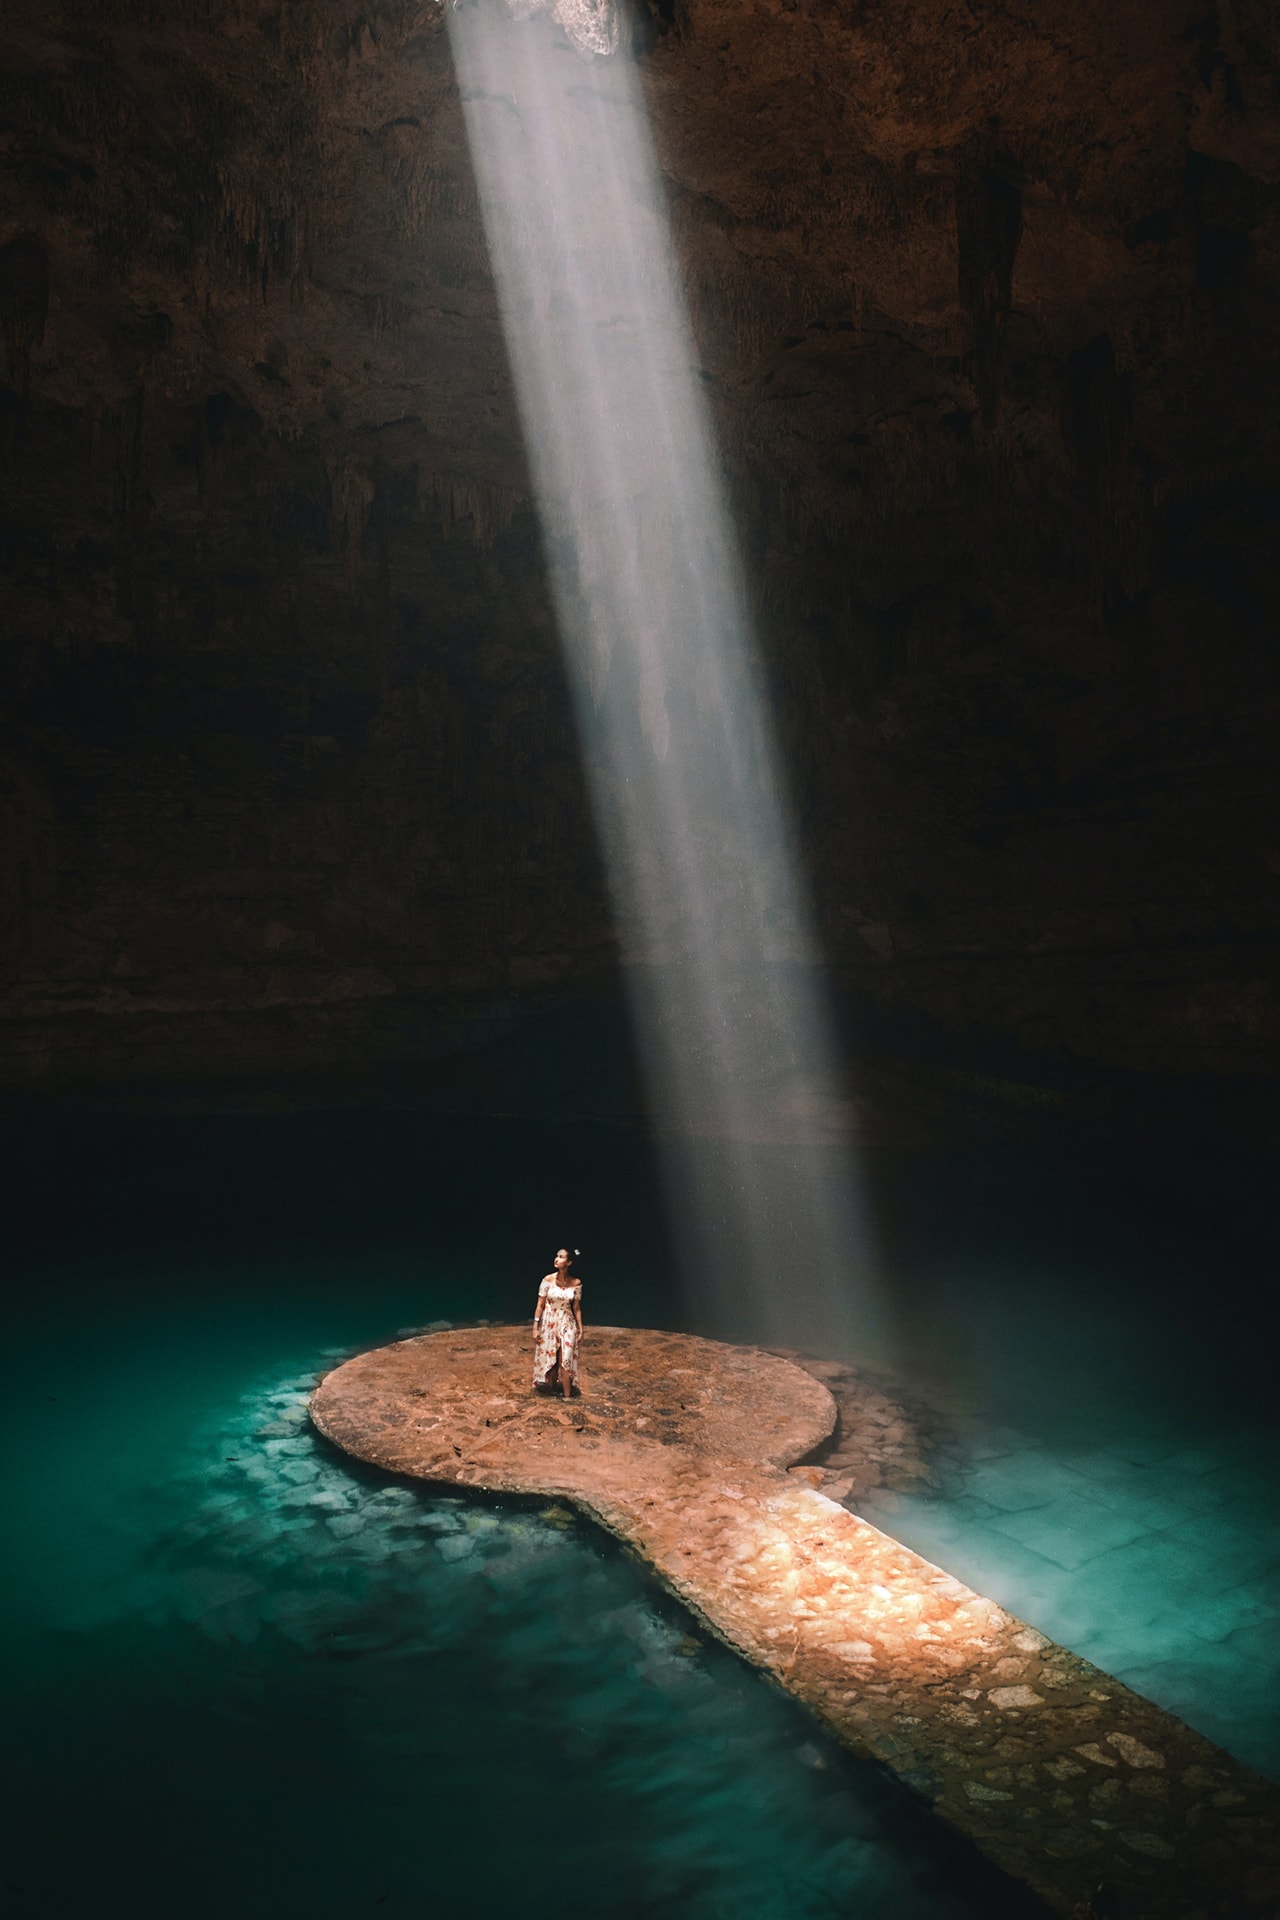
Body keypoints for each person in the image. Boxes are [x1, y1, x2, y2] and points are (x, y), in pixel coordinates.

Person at [532, 1247, 583, 1398]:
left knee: (565, 1359)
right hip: (550, 1323)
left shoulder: (576, 1282)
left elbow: (576, 1308)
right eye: (556, 1256)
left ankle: (567, 1398)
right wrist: (535, 1327)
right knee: (552, 1361)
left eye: (561, 1257)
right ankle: (552, 1393)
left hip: (567, 1323)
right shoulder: (547, 1280)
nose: (556, 1259)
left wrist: (581, 1329)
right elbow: (540, 1305)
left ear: (569, 1262)